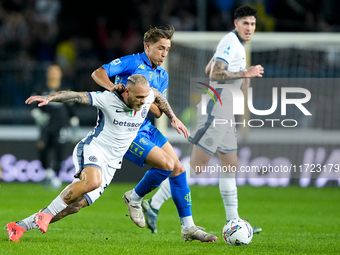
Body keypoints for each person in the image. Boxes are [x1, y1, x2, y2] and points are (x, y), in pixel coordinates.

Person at [142, 5, 265, 234]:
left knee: (230, 165)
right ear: (235, 23)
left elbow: (211, 65)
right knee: (197, 165)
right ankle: (153, 204)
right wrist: (244, 74)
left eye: (253, 24)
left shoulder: (235, 45)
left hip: (226, 112)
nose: (249, 28)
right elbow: (214, 73)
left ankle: (234, 221)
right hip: (217, 109)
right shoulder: (231, 42)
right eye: (245, 23)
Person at [6, 74, 173, 242]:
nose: (144, 101)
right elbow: (77, 96)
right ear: (127, 91)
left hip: (112, 164)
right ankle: (46, 215)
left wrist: (174, 118)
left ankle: (19, 226)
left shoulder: (147, 95)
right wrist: (50, 97)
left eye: (145, 97)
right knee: (93, 181)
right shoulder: (108, 99)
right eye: (139, 97)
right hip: (94, 148)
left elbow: (157, 95)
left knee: (74, 206)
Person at [90, 25, 217, 242]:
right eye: (160, 48)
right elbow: (98, 73)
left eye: (167, 49)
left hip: (146, 127)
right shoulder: (131, 62)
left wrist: (146, 98)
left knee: (178, 168)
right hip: (126, 129)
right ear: (147, 46)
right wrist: (113, 88)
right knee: (166, 165)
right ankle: (135, 197)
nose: (164, 53)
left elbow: (157, 111)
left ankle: (188, 228)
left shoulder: (162, 75)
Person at [30, 64, 79, 189]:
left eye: (56, 72)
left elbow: (72, 111)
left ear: (60, 74)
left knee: (59, 152)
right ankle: (48, 173)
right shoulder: (40, 89)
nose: (53, 74)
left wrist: (75, 128)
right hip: (46, 127)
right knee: (42, 150)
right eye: (51, 71)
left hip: (61, 127)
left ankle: (56, 176)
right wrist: (38, 115)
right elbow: (33, 107)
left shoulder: (66, 90)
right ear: (47, 74)